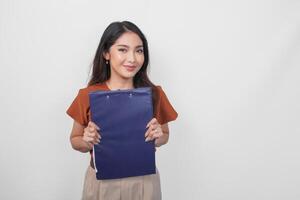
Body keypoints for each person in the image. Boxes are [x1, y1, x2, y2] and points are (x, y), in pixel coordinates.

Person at [66, 21, 178, 200]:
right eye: (123, 49)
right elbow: (75, 139)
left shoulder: (154, 94)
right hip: (102, 183)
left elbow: (164, 134)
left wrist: (158, 137)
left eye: (139, 50)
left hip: (144, 182)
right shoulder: (88, 95)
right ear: (106, 53)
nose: (133, 58)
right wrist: (87, 140)